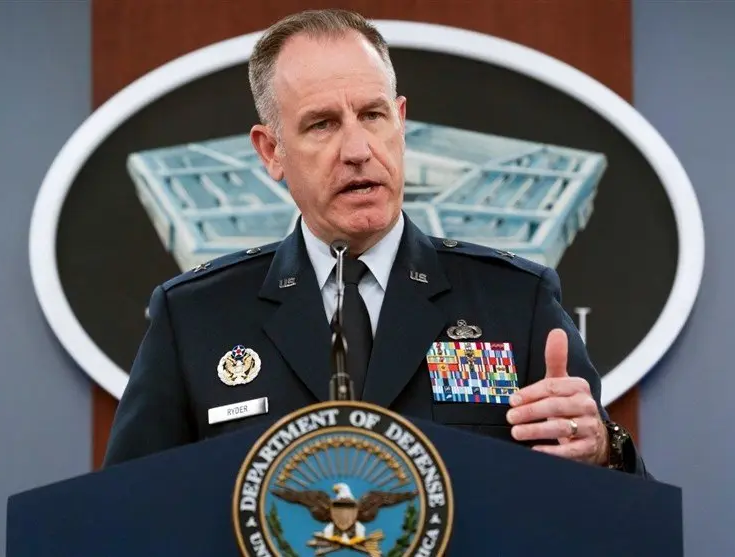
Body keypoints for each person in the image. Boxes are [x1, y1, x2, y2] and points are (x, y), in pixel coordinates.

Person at [103, 8, 648, 478]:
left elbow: (623, 516)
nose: (358, 149)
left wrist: (603, 450)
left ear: (400, 121)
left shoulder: (516, 302)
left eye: (372, 114)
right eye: (322, 124)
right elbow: (122, 513)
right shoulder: (195, 317)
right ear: (271, 151)